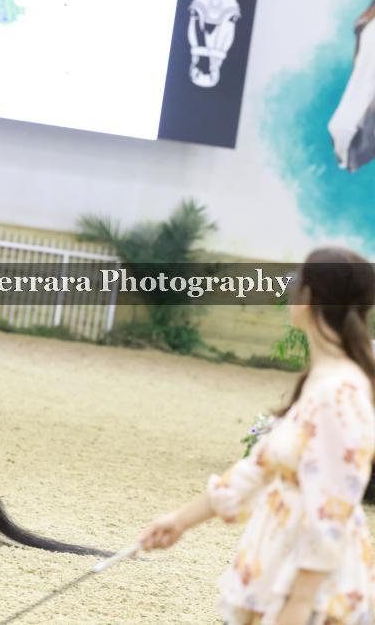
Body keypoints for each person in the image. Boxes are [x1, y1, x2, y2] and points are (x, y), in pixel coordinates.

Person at [140, 247, 375, 625]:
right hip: (281, 568)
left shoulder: (340, 392)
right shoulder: (322, 380)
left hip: (311, 590)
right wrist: (180, 520)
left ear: (309, 297)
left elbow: (334, 504)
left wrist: (300, 602)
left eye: (296, 281)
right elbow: (258, 467)